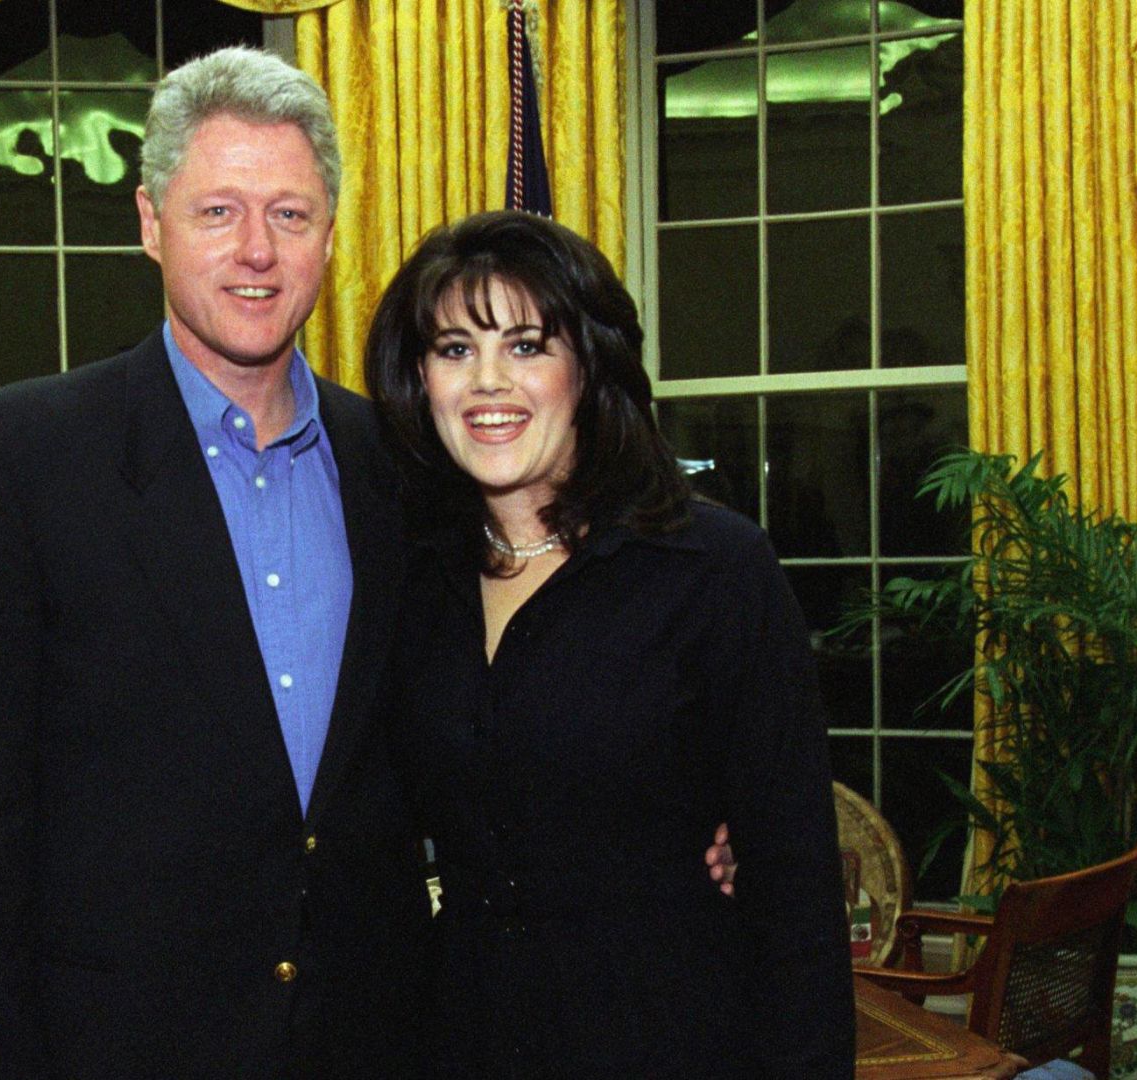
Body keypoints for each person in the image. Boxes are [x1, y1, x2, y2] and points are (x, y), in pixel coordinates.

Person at [0, 48, 430, 1078]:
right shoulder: (14, 460)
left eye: (290, 214)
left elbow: (465, 724)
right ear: (150, 224)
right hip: (121, 1047)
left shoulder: (399, 467)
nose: (257, 252)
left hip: (370, 1038)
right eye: (217, 211)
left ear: (330, 233)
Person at [365, 210, 854, 1077]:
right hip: (462, 1035)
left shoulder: (713, 568)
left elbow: (796, 888)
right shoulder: (404, 580)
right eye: (453, 350)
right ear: (418, 378)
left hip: (670, 1032)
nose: (488, 383)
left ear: (587, 369)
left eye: (525, 347)